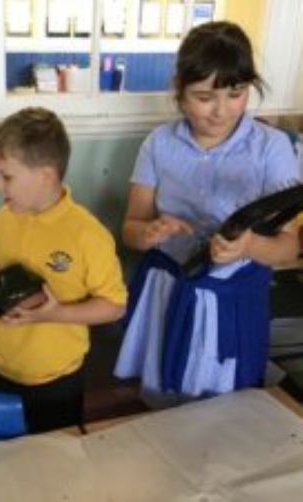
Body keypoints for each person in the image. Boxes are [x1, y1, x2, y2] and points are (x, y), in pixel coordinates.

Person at [114, 21, 300, 408]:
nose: (221, 111)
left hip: (234, 296)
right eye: (204, 97)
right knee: (163, 394)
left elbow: (288, 248)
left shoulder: (271, 148)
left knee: (225, 406)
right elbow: (130, 228)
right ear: (179, 91)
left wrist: (248, 246)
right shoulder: (159, 144)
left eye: (236, 94)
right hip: (168, 288)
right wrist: (148, 233)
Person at [0, 107, 127, 433]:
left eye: (7, 177)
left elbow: (114, 306)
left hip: (55, 379)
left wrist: (55, 314)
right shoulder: (4, 217)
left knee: (55, 458)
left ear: (46, 175)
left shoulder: (87, 234)